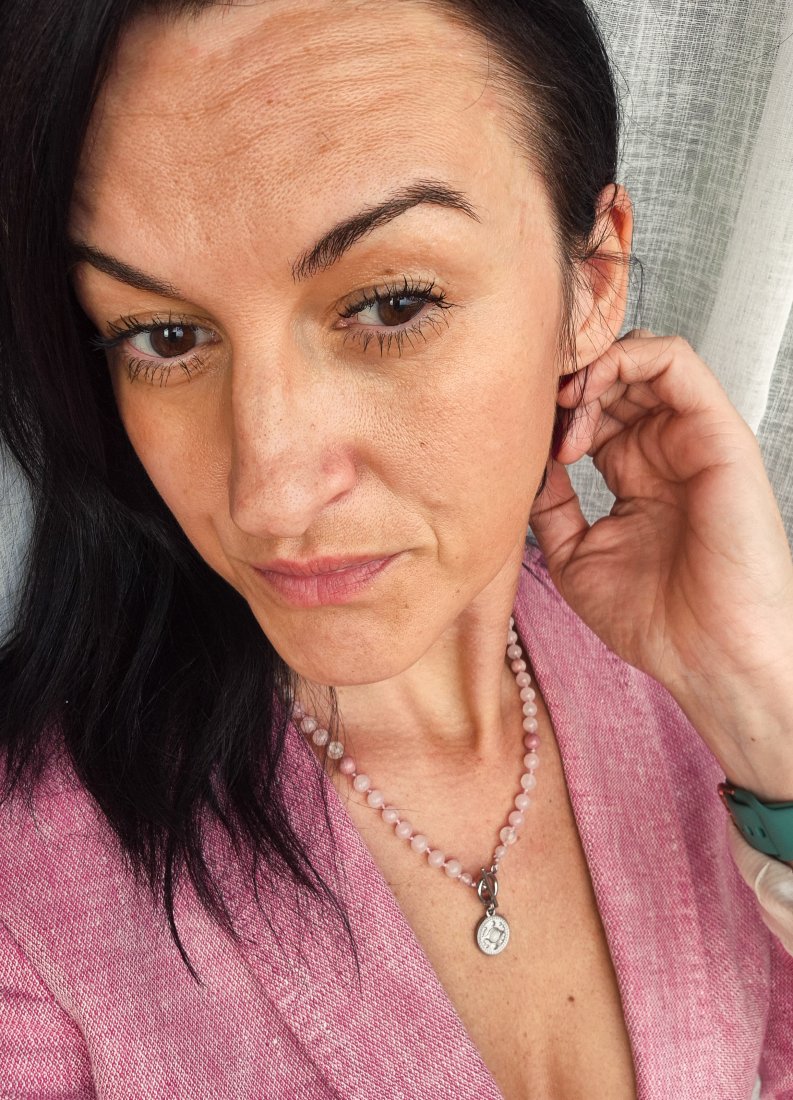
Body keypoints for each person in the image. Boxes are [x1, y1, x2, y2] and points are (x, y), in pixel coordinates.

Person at [0, 0, 791, 1096]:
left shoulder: (683, 699)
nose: (270, 492)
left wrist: (761, 708)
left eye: (390, 303)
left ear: (595, 281)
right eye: (165, 336)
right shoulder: (29, 881)